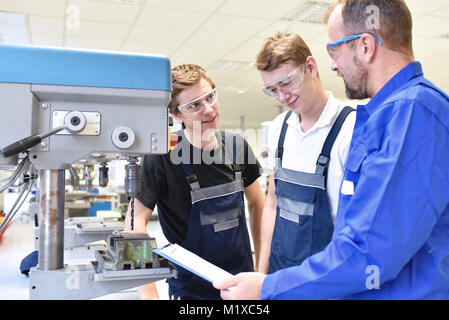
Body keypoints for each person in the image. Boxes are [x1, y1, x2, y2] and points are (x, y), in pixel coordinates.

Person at [214, 0, 449, 299]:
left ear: (365, 46)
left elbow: (368, 253)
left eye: (334, 51)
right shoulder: (388, 115)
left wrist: (267, 288)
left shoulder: (413, 114)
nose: (334, 65)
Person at [124, 64, 265, 300]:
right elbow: (133, 225)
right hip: (191, 290)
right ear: (176, 114)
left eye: (210, 97)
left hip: (242, 284)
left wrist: (262, 269)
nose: (209, 110)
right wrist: (149, 296)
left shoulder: (237, 146)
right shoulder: (161, 157)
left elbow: (258, 205)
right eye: (195, 105)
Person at [253, 32, 356, 275]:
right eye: (272, 90)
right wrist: (261, 273)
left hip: (327, 279)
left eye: (287, 83)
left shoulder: (350, 129)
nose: (282, 97)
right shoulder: (279, 128)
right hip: (281, 274)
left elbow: (356, 224)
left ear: (310, 67)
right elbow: (272, 203)